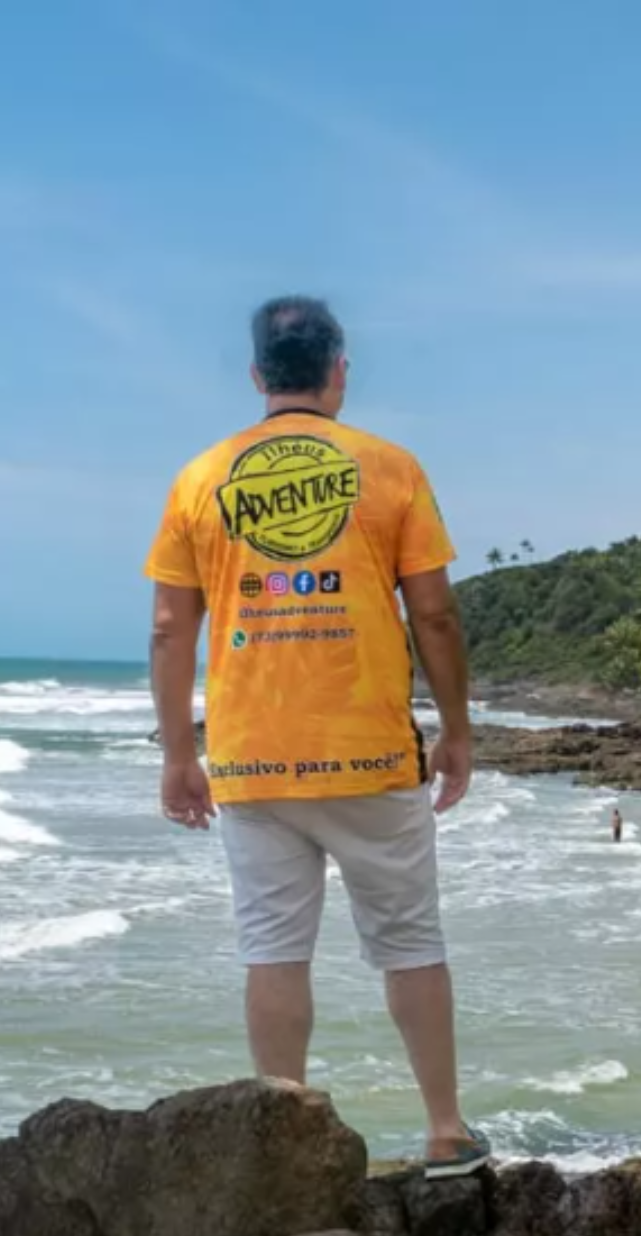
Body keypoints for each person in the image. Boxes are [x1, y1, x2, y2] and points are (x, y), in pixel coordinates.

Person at [145, 296, 487, 1178]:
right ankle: (446, 1131)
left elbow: (168, 630)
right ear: (340, 369)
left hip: (253, 761)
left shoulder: (199, 479)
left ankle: (285, 1148)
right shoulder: (390, 467)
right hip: (372, 754)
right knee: (410, 943)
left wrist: (180, 753)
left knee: (273, 951)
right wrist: (457, 730)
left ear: (258, 375)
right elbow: (437, 616)